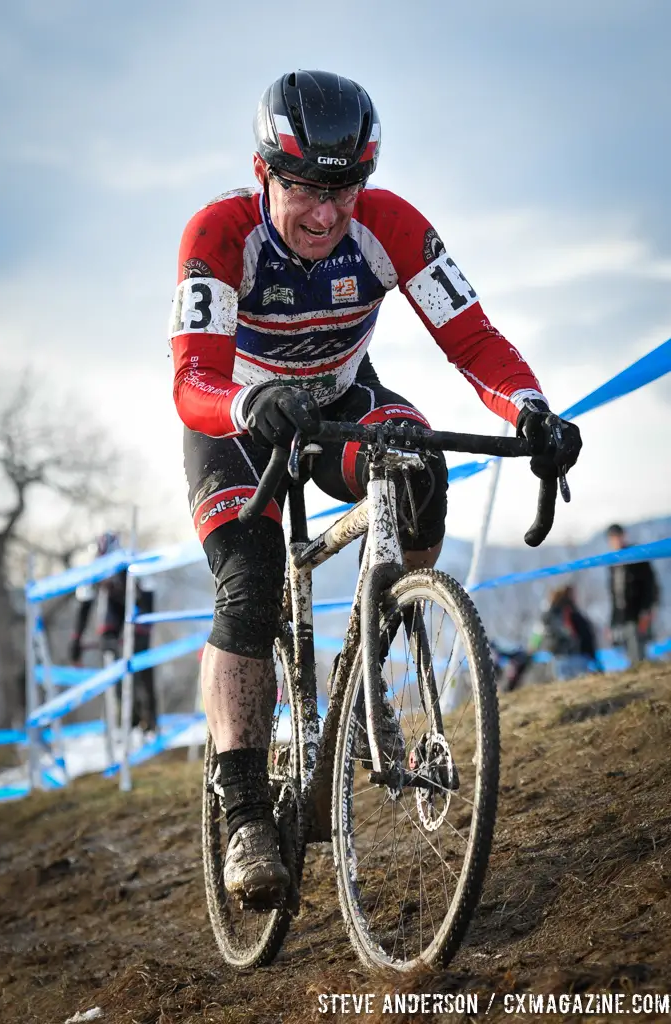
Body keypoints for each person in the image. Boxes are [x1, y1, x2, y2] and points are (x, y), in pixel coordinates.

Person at [169, 69, 583, 906]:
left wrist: (535, 409)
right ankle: (246, 807)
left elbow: (473, 340)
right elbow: (190, 381)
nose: (327, 215)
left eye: (345, 189)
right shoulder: (218, 234)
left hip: (340, 398)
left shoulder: (390, 227)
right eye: (306, 191)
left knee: (419, 461)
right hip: (236, 421)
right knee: (248, 589)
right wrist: (249, 398)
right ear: (265, 174)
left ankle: (371, 661)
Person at [70, 532, 158, 734]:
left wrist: (143, 627)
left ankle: (150, 719)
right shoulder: (94, 568)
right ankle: (128, 717)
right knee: (110, 647)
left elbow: (149, 595)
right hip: (114, 609)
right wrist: (76, 639)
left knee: (142, 661)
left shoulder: (130, 562)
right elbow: (85, 605)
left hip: (138, 604)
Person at [606, 524, 660, 665]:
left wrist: (646, 610)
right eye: (612, 538)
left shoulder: (636, 555)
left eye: (617, 536)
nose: (615, 540)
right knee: (628, 651)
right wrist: (612, 622)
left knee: (639, 649)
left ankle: (643, 672)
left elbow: (650, 584)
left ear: (623, 536)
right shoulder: (612, 562)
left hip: (638, 612)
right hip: (622, 615)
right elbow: (614, 596)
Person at [530, 584, 599, 681]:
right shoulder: (574, 614)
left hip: (559, 657)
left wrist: (533, 647)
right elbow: (587, 635)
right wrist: (593, 657)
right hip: (578, 657)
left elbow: (538, 632)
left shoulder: (548, 615)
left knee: (565, 686)